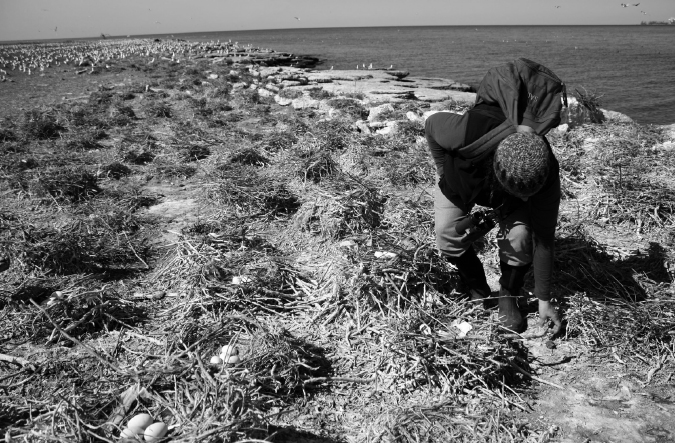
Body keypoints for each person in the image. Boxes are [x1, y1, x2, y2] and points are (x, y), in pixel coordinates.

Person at [425, 58, 565, 335]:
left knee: (521, 237)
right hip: (465, 178)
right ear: (497, 169)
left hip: (505, 196)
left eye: (528, 194)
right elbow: (432, 125)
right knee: (446, 234)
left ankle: (508, 296)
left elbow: (544, 239)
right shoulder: (467, 132)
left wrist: (544, 299)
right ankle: (477, 287)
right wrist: (443, 173)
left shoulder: (545, 173)